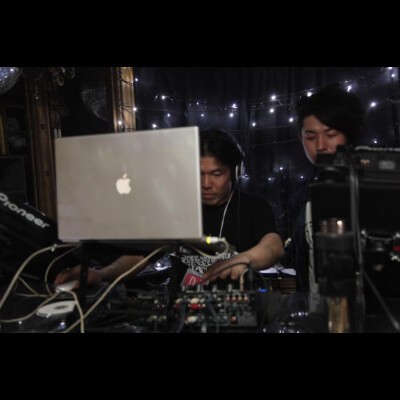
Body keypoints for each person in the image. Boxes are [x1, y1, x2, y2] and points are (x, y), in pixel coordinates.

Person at [55, 128, 284, 286]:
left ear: (235, 173)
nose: (206, 184)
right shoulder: (172, 209)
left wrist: (241, 259)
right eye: (198, 174)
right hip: (181, 310)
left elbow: (273, 246)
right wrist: (101, 274)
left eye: (216, 174)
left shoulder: (254, 206)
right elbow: (141, 258)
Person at [289, 84, 365, 293]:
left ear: (349, 135)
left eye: (330, 134)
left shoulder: (370, 186)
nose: (320, 145)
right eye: (310, 137)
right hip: (316, 308)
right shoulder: (301, 196)